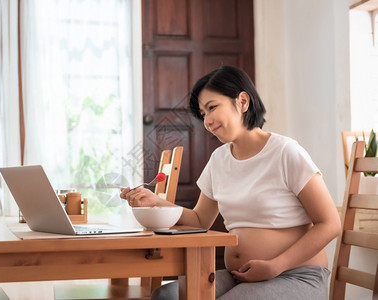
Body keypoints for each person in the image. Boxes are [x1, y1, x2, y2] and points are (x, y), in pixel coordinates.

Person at [120, 66, 341, 300]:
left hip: (296, 275)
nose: (207, 121)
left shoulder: (286, 152)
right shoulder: (219, 159)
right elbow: (199, 219)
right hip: (239, 275)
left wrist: (276, 265)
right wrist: (156, 201)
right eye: (203, 114)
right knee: (168, 296)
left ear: (243, 101)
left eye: (212, 107)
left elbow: (330, 224)